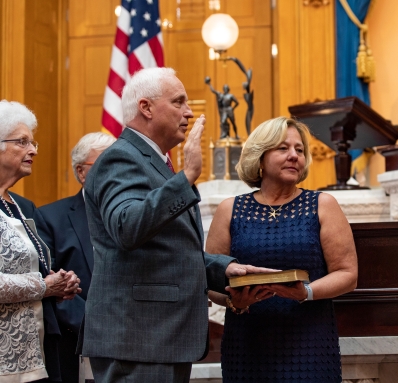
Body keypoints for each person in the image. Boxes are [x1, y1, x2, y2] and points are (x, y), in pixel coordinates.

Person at [79, 67, 272, 383]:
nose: (189, 112)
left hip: (156, 337)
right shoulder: (122, 158)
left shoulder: (151, 160)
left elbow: (166, 247)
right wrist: (186, 177)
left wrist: (222, 269)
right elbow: (127, 228)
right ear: (146, 108)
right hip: (139, 338)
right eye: (179, 102)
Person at [206, 117, 358, 382]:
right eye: (283, 149)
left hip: (309, 343)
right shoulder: (229, 210)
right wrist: (233, 301)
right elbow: (211, 281)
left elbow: (347, 274)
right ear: (260, 157)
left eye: (299, 150)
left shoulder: (322, 204)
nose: (293, 156)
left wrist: (306, 292)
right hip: (247, 343)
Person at [0, 100, 81, 382]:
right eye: (22, 142)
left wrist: (59, 283)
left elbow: (34, 267)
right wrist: (43, 286)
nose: (33, 150)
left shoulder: (21, 206)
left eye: (33, 143)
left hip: (38, 348)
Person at [37, 132, 116, 383]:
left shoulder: (136, 216)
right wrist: (95, 328)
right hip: (76, 344)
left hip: (133, 339)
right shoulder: (50, 218)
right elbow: (50, 282)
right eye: (106, 165)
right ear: (82, 172)